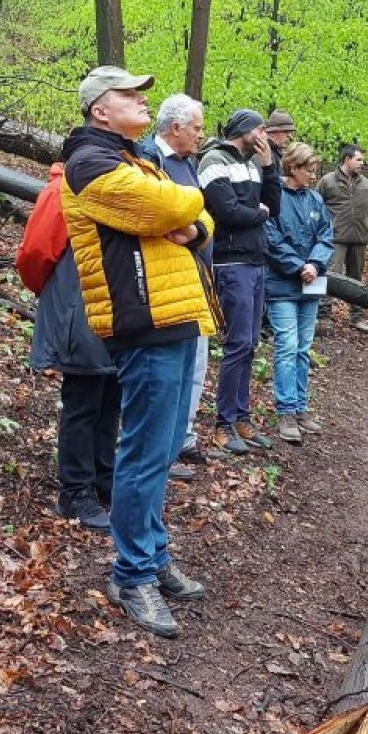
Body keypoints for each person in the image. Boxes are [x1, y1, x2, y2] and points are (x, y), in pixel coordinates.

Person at [61, 66, 217, 638]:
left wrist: (192, 222)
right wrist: (186, 209)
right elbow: (176, 207)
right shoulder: (89, 163)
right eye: (129, 95)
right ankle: (131, 575)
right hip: (141, 320)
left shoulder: (135, 160)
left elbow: (199, 220)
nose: (140, 102)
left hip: (174, 314)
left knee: (167, 445)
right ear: (100, 108)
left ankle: (151, 556)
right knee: (146, 452)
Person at [16, 157, 118, 529]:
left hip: (115, 312)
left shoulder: (120, 182)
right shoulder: (62, 189)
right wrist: (65, 299)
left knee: (111, 394)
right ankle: (75, 493)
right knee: (84, 398)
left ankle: (104, 482)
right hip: (80, 308)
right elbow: (33, 255)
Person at [199, 109, 281, 455]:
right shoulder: (214, 160)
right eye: (260, 128)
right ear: (244, 130)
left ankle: (242, 418)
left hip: (255, 260)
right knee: (237, 344)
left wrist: (269, 167)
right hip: (231, 263)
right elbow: (228, 213)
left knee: (250, 344)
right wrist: (258, 213)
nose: (265, 134)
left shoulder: (252, 164)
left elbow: (272, 207)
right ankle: (223, 424)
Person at [141, 93, 212, 477]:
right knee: (165, 374)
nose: (201, 134)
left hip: (195, 276)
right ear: (176, 127)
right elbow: (162, 219)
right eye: (197, 128)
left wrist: (199, 231)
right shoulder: (149, 159)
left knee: (194, 366)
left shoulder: (189, 164)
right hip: (164, 285)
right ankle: (159, 452)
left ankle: (177, 442)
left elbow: (201, 216)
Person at [263, 143, 334, 445]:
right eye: (309, 168)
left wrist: (315, 264)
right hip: (281, 285)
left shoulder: (316, 199)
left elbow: (326, 236)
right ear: (293, 167)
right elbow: (271, 238)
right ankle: (286, 410)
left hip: (310, 285)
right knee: (287, 346)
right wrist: (297, 266)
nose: (313, 174)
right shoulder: (273, 196)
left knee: (304, 347)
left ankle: (301, 406)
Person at [317, 144, 368, 332]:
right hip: (335, 238)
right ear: (347, 159)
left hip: (359, 237)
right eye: (358, 159)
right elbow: (317, 207)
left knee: (356, 279)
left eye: (363, 160)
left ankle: (357, 317)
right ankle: (323, 317)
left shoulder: (366, 183)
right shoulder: (327, 181)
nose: (362, 163)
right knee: (330, 276)